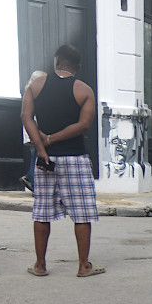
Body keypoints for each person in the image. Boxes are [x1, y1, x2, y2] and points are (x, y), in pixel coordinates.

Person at [21, 43, 103, 277]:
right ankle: (84, 265)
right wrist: (50, 139)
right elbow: (84, 125)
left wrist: (41, 146)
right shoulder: (83, 90)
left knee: (42, 212)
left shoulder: (36, 85)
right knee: (82, 213)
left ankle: (40, 265)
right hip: (75, 158)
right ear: (77, 66)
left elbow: (26, 116)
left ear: (56, 61)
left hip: (46, 160)